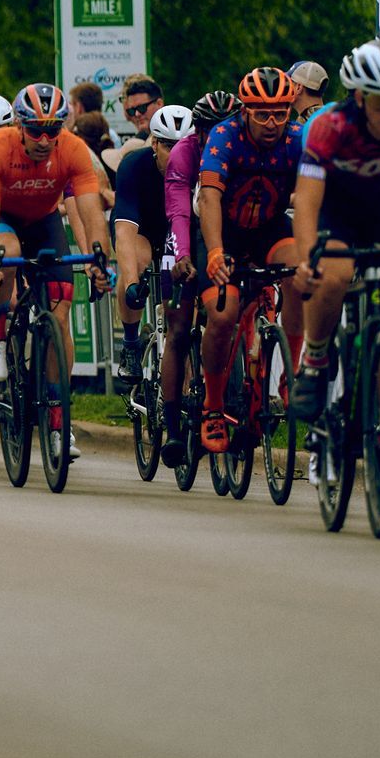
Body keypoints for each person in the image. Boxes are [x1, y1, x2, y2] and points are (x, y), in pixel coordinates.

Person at [0, 84, 109, 460]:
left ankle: (58, 423)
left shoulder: (72, 149)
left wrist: (99, 259)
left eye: (52, 130)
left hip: (43, 222)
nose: (44, 140)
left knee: (60, 319)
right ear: (19, 126)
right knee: (9, 255)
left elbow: (91, 213)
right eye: (35, 130)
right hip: (1, 218)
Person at [291, 41, 380, 425]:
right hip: (336, 212)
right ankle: (316, 357)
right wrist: (306, 260)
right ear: (360, 96)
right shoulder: (329, 127)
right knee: (334, 276)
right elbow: (307, 202)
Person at [194, 69, 308, 455]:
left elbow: (313, 195)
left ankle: (291, 375)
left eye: (280, 113)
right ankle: (213, 405)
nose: (272, 123)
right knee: (222, 315)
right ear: (244, 112)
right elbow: (209, 197)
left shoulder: (297, 139)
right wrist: (214, 251)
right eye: (262, 114)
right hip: (223, 231)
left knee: (300, 275)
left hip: (268, 229)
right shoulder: (224, 136)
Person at [160, 90, 239, 465]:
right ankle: (173, 428)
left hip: (224, 231)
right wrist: (182, 256)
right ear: (199, 130)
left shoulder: (240, 147)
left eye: (225, 127)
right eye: (209, 129)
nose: (216, 136)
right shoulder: (184, 152)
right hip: (186, 231)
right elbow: (179, 211)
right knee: (178, 329)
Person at [111, 104, 192, 383]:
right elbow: (124, 232)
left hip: (177, 231)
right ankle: (130, 344)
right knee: (136, 262)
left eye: (183, 146)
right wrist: (132, 284)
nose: (177, 153)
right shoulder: (134, 165)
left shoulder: (199, 167)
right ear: (154, 144)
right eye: (169, 146)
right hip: (140, 229)